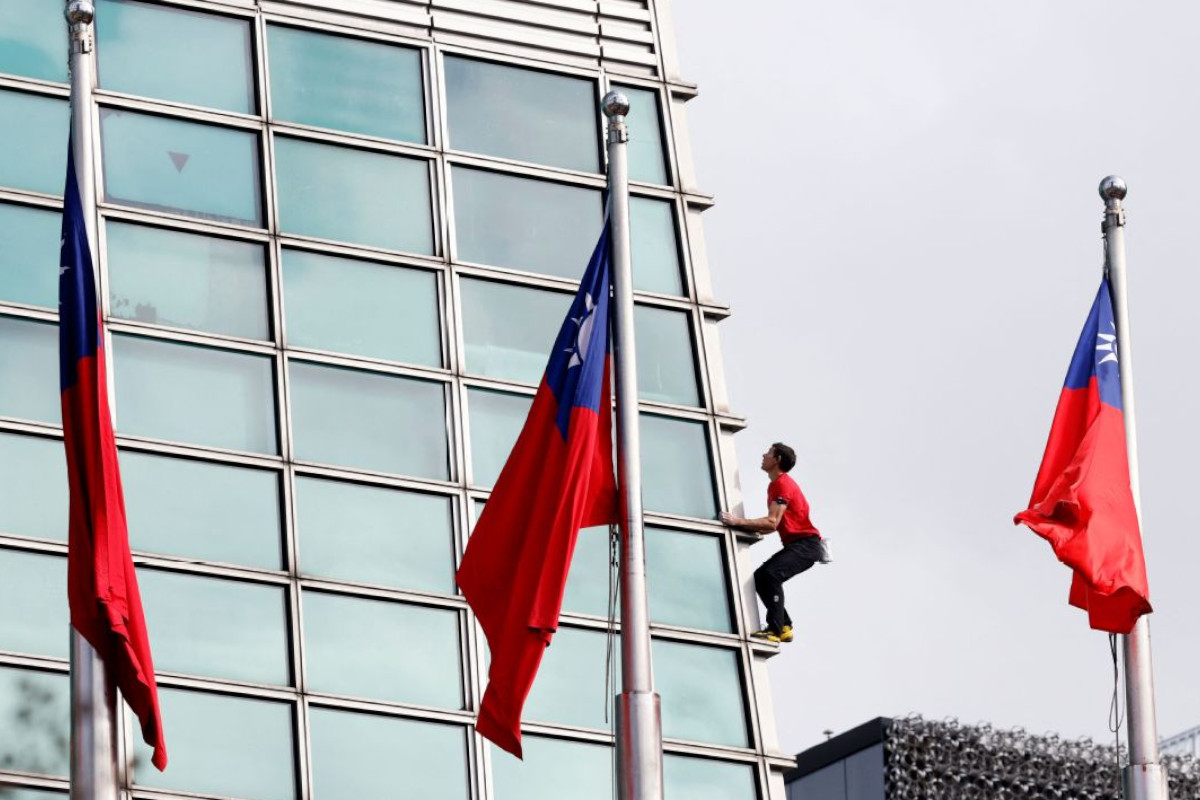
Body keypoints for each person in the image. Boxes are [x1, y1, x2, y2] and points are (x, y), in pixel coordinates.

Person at [720, 442, 824, 643]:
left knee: (768, 576)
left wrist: (737, 522)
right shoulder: (776, 484)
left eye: (768, 453)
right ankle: (783, 626)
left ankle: (775, 630)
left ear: (777, 460)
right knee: (763, 577)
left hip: (806, 545)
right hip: (801, 545)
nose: (763, 455)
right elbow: (772, 524)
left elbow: (771, 523)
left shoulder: (782, 484)